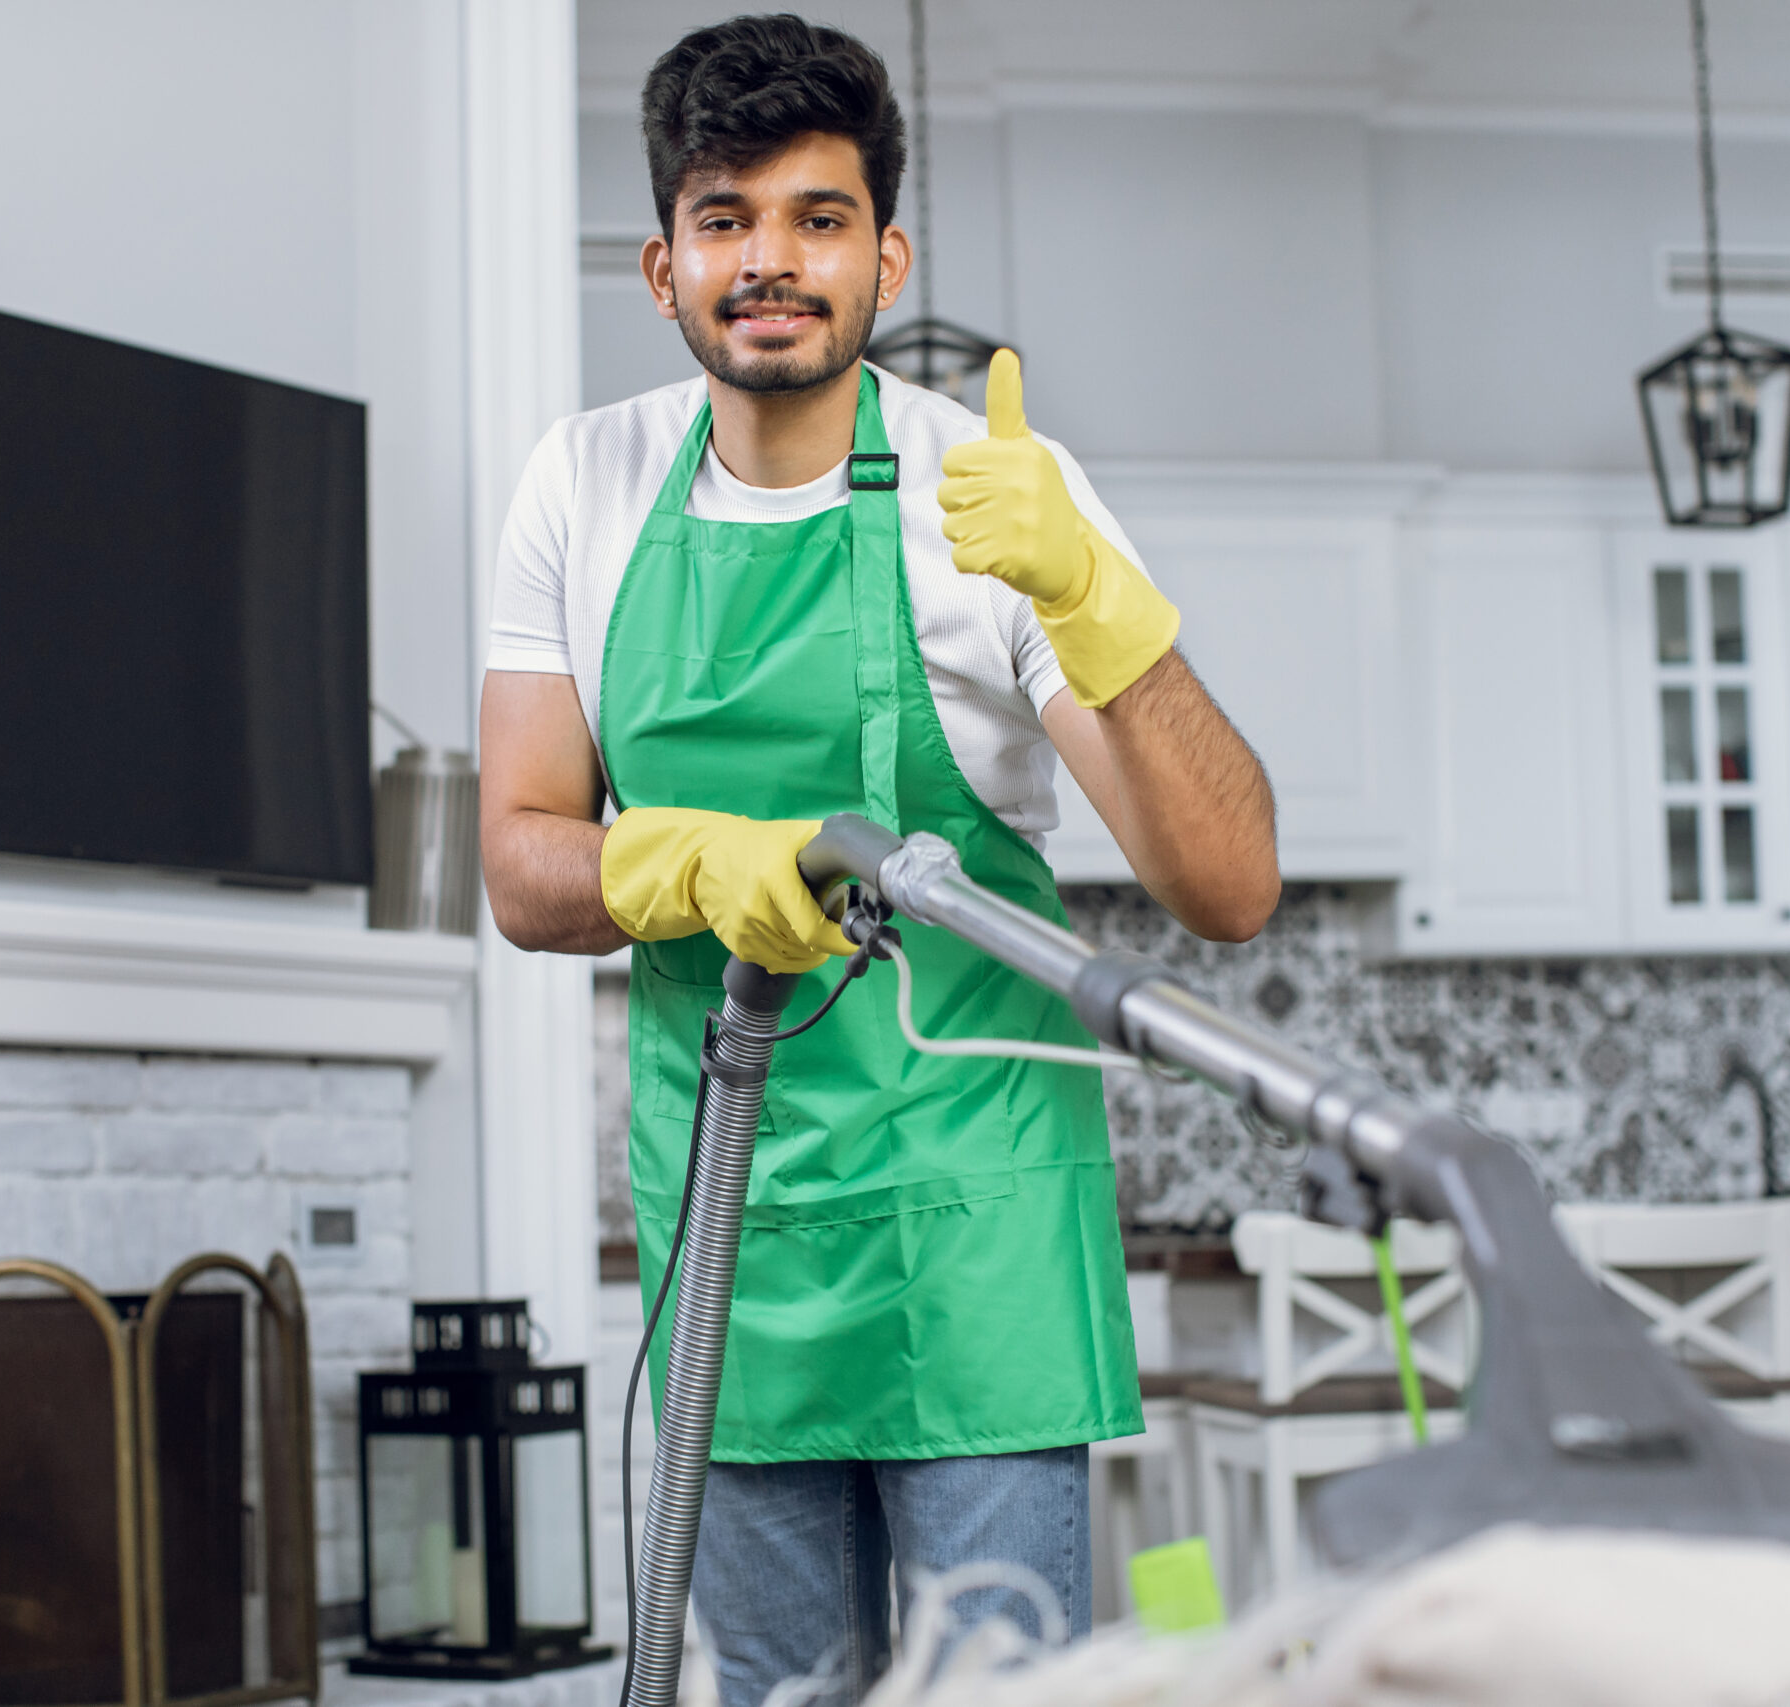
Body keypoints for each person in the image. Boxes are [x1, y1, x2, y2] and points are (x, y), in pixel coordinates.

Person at [479, 14, 1280, 1704]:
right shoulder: (584, 482)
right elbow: (523, 868)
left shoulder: (995, 492)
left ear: (885, 253)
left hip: (974, 1221)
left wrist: (1098, 608)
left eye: (817, 218)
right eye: (726, 217)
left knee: (993, 1692)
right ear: (662, 262)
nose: (770, 260)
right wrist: (690, 867)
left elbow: (1229, 885)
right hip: (733, 1216)